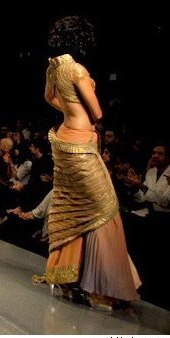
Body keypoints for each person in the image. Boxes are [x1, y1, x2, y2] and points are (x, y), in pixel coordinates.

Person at [39, 16, 140, 309]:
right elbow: (97, 112)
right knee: (103, 208)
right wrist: (81, 107)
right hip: (81, 143)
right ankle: (102, 289)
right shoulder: (77, 69)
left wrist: (68, 109)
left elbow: (48, 97)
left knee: (74, 206)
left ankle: (69, 278)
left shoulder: (53, 67)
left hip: (63, 139)